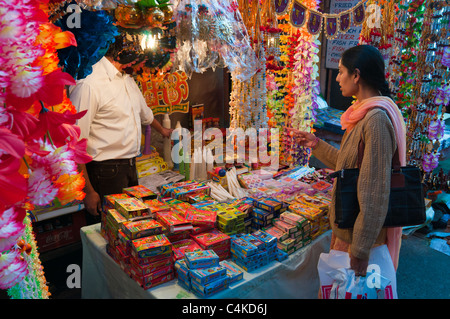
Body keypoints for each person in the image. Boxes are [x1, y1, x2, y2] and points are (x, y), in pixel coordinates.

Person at [297, 45, 406, 277]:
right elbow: (351, 168)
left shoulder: (375, 119)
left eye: (340, 71)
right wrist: (316, 144)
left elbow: (374, 189)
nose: (337, 78)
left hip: (360, 237)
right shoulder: (362, 113)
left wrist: (360, 248)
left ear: (356, 75)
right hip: (349, 229)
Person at [69, 36, 172, 224]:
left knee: (129, 229)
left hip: (130, 167)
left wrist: (164, 131)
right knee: (108, 230)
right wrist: (88, 191)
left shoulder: (127, 79)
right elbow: (75, 143)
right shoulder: (90, 84)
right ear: (120, 54)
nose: (138, 63)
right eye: (135, 57)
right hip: (104, 172)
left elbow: (145, 114)